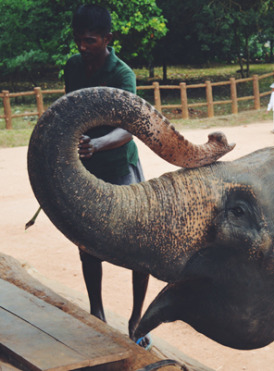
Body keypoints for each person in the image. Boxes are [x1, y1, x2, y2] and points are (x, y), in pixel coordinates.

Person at [64, 4, 150, 348]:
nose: (82, 47)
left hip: (119, 165)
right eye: (78, 40)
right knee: (87, 243)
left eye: (89, 40)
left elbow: (129, 128)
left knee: (141, 242)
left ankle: (137, 320)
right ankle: (96, 312)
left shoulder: (122, 74)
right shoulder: (72, 67)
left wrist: (98, 143)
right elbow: (69, 111)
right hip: (88, 164)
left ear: (107, 39)